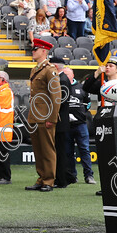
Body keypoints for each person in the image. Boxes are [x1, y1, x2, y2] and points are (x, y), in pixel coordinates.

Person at [26, 38, 61, 192]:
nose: (33, 51)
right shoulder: (35, 69)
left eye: (36, 49)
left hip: (45, 116)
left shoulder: (50, 70)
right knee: (38, 150)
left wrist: (52, 118)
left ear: (44, 51)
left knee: (47, 150)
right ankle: (41, 178)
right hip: (35, 115)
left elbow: (56, 96)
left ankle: (49, 180)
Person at [49, 57, 71, 188]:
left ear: (56, 67)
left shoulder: (61, 80)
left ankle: (61, 179)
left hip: (60, 121)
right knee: (59, 150)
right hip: (61, 121)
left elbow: (60, 102)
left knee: (60, 151)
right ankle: (61, 178)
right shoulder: (62, 79)